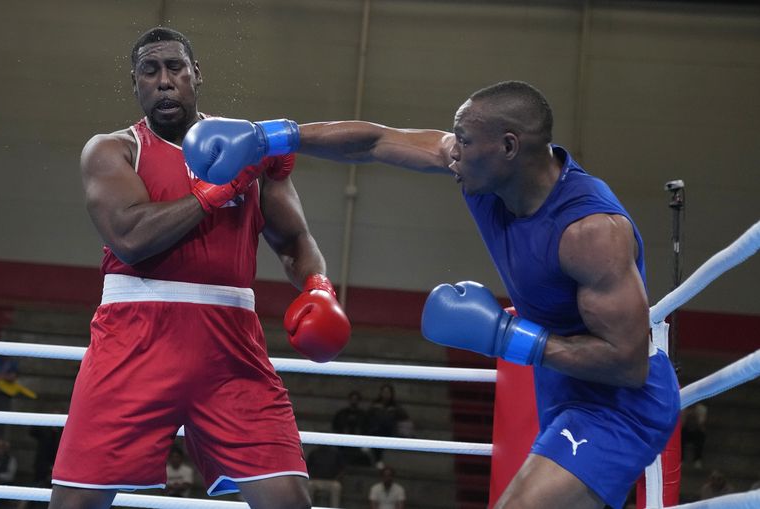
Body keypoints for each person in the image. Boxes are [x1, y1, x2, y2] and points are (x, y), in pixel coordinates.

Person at [183, 80, 681, 509]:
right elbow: (375, 142)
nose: (452, 150)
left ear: (509, 147)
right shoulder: (483, 174)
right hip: (562, 386)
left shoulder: (590, 232)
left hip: (618, 404)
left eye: (464, 140)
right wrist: (269, 137)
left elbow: (628, 363)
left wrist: (508, 337)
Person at [47, 27, 351, 509]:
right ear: (135, 82)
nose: (164, 81)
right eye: (150, 71)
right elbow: (131, 237)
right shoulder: (113, 150)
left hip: (231, 346)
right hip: (135, 339)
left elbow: (294, 239)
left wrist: (318, 287)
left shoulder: (248, 148)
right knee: (76, 504)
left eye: (175, 68)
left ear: (196, 75)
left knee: (288, 498)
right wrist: (219, 190)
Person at [331, 390, 373, 466]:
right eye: (352, 399)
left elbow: (367, 429)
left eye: (356, 399)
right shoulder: (341, 414)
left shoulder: (364, 415)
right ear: (349, 400)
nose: (354, 401)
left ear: (359, 401)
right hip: (342, 441)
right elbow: (335, 427)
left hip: (360, 442)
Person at [681, 402, 707, 469]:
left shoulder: (702, 409)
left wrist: (695, 416)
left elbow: (701, 424)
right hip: (686, 430)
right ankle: (681, 459)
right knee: (681, 436)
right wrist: (687, 415)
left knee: (701, 436)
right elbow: (682, 424)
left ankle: (697, 459)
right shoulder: (683, 407)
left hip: (696, 430)